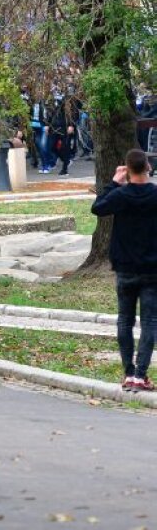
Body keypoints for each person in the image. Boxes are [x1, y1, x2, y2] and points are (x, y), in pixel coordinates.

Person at [91, 149, 157, 392]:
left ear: (127, 170)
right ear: (148, 167)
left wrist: (113, 183)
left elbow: (98, 208)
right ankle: (141, 375)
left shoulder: (121, 195)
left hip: (124, 267)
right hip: (152, 268)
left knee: (125, 320)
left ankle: (129, 372)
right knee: (150, 321)